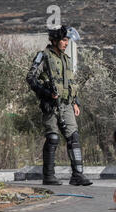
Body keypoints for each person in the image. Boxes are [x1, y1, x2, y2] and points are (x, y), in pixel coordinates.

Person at [26, 25, 92, 186]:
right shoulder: (43, 56)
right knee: (53, 138)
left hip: (67, 104)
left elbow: (70, 82)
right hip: (51, 104)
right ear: (55, 40)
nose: (66, 43)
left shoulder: (66, 58)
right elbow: (30, 78)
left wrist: (76, 102)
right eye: (63, 40)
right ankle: (48, 176)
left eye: (68, 40)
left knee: (74, 137)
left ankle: (77, 176)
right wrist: (47, 93)